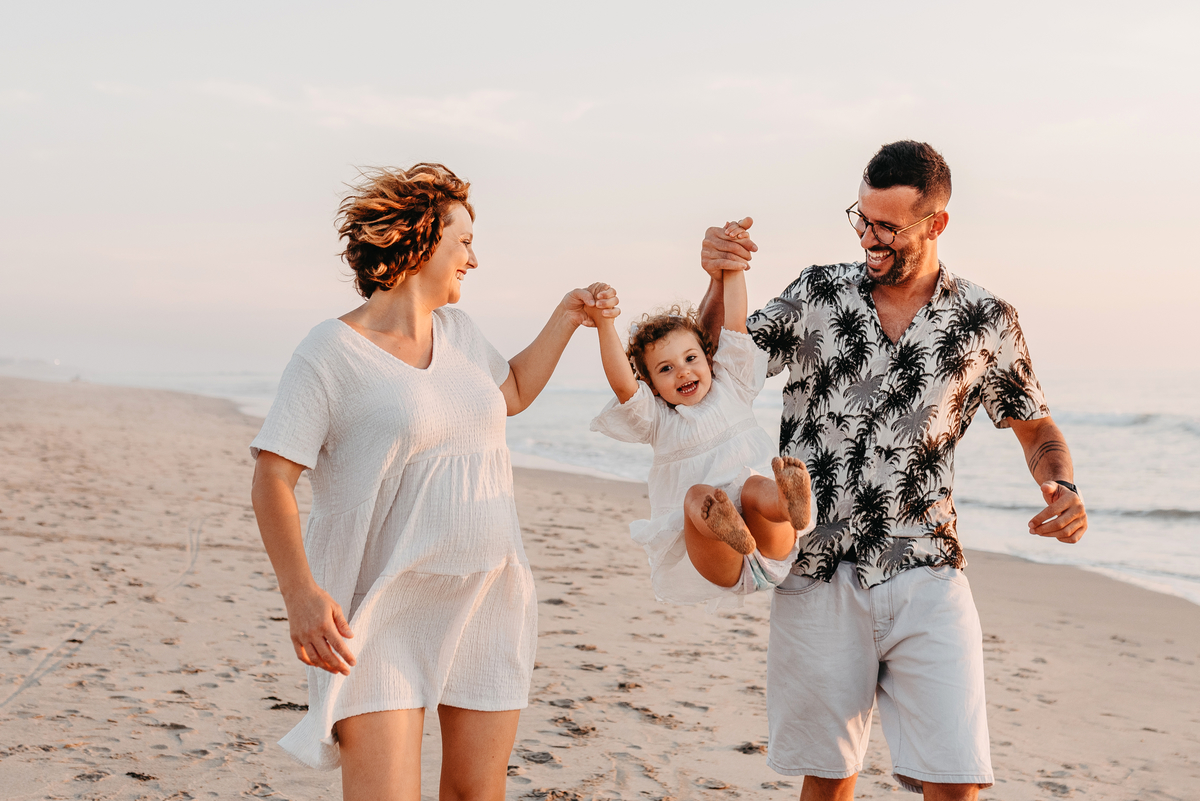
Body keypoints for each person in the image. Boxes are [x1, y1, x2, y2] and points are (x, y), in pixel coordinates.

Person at [698, 141, 1088, 800]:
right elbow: (712, 367)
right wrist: (717, 279)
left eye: (887, 226)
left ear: (937, 223)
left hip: (928, 566)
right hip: (817, 567)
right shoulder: (817, 293)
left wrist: (1062, 484)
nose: (868, 238)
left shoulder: (987, 320)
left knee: (956, 776)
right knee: (828, 779)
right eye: (862, 218)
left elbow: (1036, 427)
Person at [249, 163, 618, 801]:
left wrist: (565, 316)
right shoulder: (331, 351)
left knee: (477, 794)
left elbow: (512, 392)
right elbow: (272, 477)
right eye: (464, 242)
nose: (474, 259)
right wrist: (300, 593)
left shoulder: (459, 333)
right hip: (382, 609)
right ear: (420, 242)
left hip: (487, 596)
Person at [586, 266, 814, 610]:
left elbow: (735, 326)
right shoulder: (657, 420)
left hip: (772, 540)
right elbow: (622, 386)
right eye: (665, 369)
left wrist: (733, 269)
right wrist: (604, 324)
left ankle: (787, 505)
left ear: (709, 359)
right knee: (697, 496)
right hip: (722, 561)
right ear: (650, 385)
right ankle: (724, 524)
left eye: (690, 358)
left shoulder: (732, 386)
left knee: (755, 485)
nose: (682, 371)